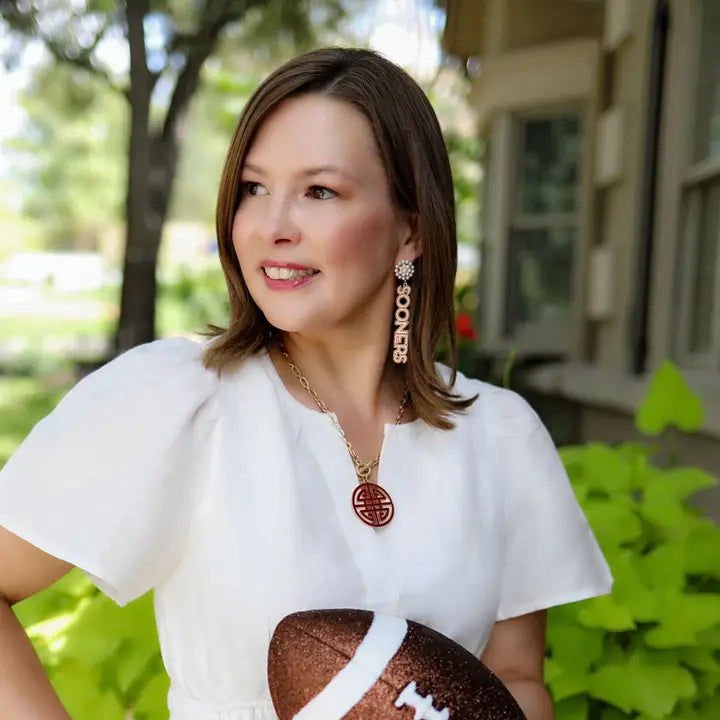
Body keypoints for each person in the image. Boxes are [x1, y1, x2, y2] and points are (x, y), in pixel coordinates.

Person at [0, 47, 612, 720]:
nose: (272, 226)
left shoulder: (499, 433)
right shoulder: (177, 399)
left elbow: (515, 680)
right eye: (253, 189)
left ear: (410, 230)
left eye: (320, 191)